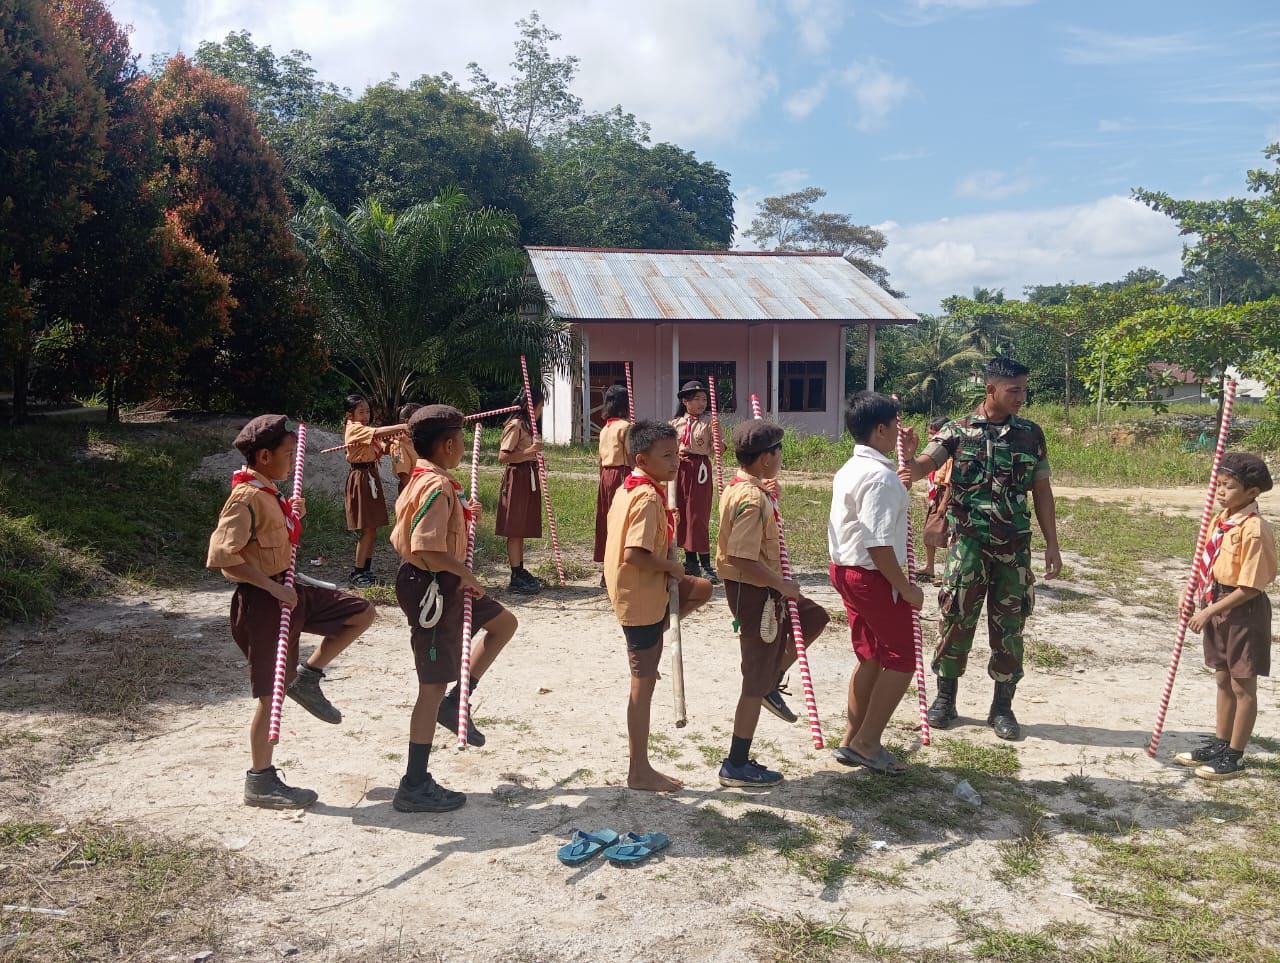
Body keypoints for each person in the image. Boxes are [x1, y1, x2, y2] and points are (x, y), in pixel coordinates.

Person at [207, 415, 375, 809]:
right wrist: (272, 589)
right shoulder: (245, 498)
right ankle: (260, 781)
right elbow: (224, 559)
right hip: (263, 602)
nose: (288, 461)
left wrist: (292, 513)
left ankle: (310, 677)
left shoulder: (268, 493)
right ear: (263, 456)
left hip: (288, 590)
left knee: (361, 613)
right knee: (270, 695)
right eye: (284, 454)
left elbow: (275, 538)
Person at [898, 357, 1061, 741]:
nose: (1022, 396)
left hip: (1014, 548)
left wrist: (1053, 543)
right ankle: (945, 699)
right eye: (1014, 390)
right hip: (968, 545)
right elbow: (922, 467)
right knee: (955, 618)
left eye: (1024, 389)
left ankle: (1002, 707)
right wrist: (907, 453)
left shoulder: (1031, 434)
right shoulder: (958, 431)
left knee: (1010, 626)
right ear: (991, 390)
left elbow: (1042, 490)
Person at [389, 405, 520, 811]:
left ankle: (459, 700)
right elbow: (427, 545)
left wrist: (462, 517)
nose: (464, 447)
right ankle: (414, 783)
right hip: (433, 586)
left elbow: (429, 528)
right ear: (448, 445)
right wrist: (466, 575)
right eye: (461, 441)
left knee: (504, 624)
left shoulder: (428, 478)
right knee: (431, 685)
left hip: (444, 581)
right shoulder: (435, 486)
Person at [716, 419, 829, 786]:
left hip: (765, 588)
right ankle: (736, 763)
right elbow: (742, 556)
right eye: (778, 452)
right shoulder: (750, 499)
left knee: (813, 617)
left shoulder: (746, 487)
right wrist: (782, 584)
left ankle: (772, 678)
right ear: (766, 458)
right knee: (753, 678)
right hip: (755, 592)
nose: (781, 457)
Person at [603, 420, 713, 792]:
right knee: (642, 686)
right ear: (641, 458)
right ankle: (639, 770)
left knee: (700, 589)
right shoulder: (648, 497)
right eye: (667, 455)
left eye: (676, 452)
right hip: (641, 599)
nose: (676, 461)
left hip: (638, 595)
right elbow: (634, 553)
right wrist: (670, 564)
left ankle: (649, 652)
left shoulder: (633, 488)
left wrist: (667, 528)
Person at [827, 393, 925, 775]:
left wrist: (905, 465)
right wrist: (907, 589)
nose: (900, 433)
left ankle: (853, 738)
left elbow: (886, 512)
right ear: (881, 429)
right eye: (896, 426)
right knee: (901, 659)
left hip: (848, 570)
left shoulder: (854, 467)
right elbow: (880, 543)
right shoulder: (879, 477)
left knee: (870, 655)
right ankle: (868, 742)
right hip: (873, 575)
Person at [1180, 452, 1276, 780]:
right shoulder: (1219, 519)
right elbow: (1203, 560)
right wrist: (1189, 591)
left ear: (1252, 492)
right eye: (1219, 484)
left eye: (1230, 486)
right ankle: (1221, 742)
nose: (1221, 491)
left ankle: (1235, 755)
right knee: (1222, 677)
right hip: (1216, 599)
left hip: (1242, 610)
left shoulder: (1254, 530)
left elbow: (1251, 586)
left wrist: (1209, 611)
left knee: (1242, 684)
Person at [343, 394, 407, 588]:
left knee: (373, 527)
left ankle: (366, 570)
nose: (365, 415)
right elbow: (378, 433)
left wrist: (399, 440)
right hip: (361, 478)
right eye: (360, 412)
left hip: (371, 475)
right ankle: (358, 572)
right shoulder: (354, 429)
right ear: (349, 415)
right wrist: (401, 427)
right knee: (367, 528)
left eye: (367, 411)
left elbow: (384, 448)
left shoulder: (367, 433)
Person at [496, 387, 545, 595]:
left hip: (528, 477)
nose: (541, 411)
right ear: (532, 407)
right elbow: (503, 456)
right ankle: (515, 574)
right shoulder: (515, 425)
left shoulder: (528, 426)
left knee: (523, 526)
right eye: (541, 407)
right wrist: (529, 452)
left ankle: (521, 568)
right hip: (517, 478)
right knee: (515, 527)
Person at [671, 380, 720, 584]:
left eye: (704, 399)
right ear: (685, 401)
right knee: (681, 514)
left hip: (699, 470)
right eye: (697, 399)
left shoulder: (710, 423)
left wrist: (718, 439)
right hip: (679, 469)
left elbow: (719, 450)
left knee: (698, 516)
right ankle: (690, 561)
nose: (702, 403)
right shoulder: (675, 424)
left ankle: (706, 563)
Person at [594, 384, 632, 577]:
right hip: (622, 474)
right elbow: (632, 455)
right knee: (621, 521)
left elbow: (601, 459)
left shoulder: (605, 428)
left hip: (605, 476)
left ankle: (606, 570)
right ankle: (618, 567)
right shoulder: (625, 428)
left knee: (607, 520)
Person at [919, 415, 951, 584]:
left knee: (948, 536)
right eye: (929, 433)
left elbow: (951, 480)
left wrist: (944, 502)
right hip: (937, 494)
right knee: (928, 532)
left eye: (934, 433)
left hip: (946, 495)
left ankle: (948, 573)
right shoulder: (934, 453)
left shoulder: (951, 453)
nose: (930, 437)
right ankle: (929, 566)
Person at [390, 402, 422, 497]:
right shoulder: (398, 445)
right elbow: (403, 476)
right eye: (419, 418)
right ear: (407, 422)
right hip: (411, 492)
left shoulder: (414, 441)